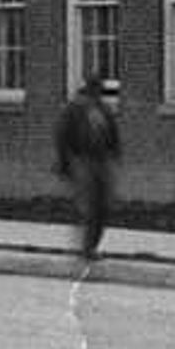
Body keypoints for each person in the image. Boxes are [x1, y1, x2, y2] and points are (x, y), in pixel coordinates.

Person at [52, 73, 122, 263]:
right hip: (82, 160)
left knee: (104, 205)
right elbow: (62, 136)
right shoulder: (73, 110)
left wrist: (115, 155)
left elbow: (113, 133)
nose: (97, 94)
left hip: (102, 161)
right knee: (90, 206)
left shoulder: (104, 110)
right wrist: (64, 162)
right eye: (95, 90)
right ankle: (86, 249)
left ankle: (92, 246)